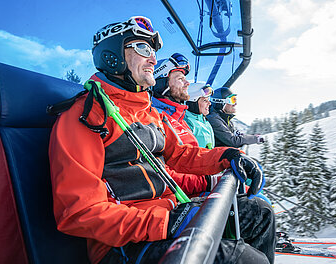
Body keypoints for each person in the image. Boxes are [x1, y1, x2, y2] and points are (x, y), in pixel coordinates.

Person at [48, 16, 275, 264]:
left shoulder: (149, 113)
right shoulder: (87, 117)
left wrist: (228, 156)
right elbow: (80, 212)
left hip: (168, 214)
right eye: (143, 48)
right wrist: (165, 223)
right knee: (242, 259)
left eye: (154, 51)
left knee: (259, 213)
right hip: (124, 244)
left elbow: (181, 154)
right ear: (111, 55)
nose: (153, 58)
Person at [151, 53, 199, 147]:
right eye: (180, 79)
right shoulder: (156, 117)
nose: (187, 83)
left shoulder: (179, 117)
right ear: (162, 84)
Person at [184, 82, 215, 149]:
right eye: (205, 100)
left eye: (208, 100)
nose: (209, 103)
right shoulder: (187, 122)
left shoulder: (205, 121)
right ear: (193, 102)